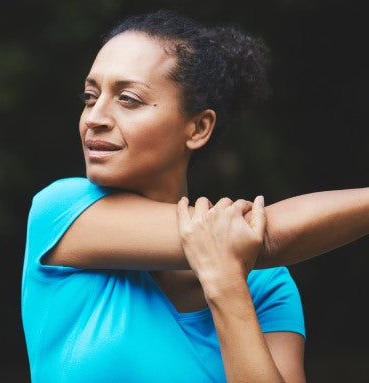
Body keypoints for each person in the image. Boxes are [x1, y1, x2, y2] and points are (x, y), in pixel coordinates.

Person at [21, 9, 369, 383]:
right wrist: (230, 257)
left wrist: (226, 287)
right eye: (90, 96)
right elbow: (263, 237)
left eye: (128, 99)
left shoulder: (266, 286)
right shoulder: (61, 212)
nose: (95, 117)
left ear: (199, 127)